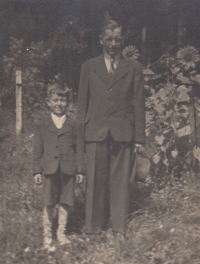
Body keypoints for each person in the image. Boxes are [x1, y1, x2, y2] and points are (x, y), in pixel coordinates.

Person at [77, 20, 145, 235]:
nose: (113, 43)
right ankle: (93, 229)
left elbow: (139, 104)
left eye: (117, 39)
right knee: (95, 181)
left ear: (122, 40)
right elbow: (82, 105)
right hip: (95, 131)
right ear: (101, 40)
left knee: (120, 183)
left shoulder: (133, 67)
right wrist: (80, 138)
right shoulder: (88, 66)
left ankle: (119, 228)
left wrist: (139, 138)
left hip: (123, 132)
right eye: (109, 39)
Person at [33, 83, 84, 251]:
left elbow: (79, 149)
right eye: (55, 100)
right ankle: (47, 236)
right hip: (49, 170)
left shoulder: (74, 124)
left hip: (68, 170)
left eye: (63, 100)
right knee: (49, 203)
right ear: (48, 102)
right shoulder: (42, 124)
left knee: (65, 202)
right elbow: (37, 150)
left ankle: (61, 234)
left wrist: (80, 170)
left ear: (68, 103)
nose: (59, 103)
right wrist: (36, 171)